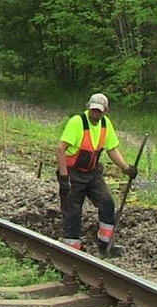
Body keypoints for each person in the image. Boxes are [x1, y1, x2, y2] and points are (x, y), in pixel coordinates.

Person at [56, 93, 137, 256]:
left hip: (92, 173)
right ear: (88, 108)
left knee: (107, 202)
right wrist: (64, 178)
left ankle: (105, 245)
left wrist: (126, 168)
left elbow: (112, 149)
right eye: (93, 110)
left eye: (99, 111)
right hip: (73, 173)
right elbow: (60, 149)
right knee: (73, 210)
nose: (95, 114)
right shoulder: (77, 122)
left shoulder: (106, 125)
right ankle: (72, 248)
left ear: (105, 111)